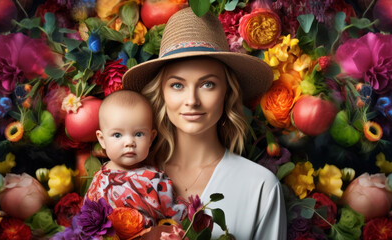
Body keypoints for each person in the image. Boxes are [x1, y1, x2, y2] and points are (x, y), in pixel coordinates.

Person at [122, 7, 287, 239]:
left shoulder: (260, 187)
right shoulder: (126, 179)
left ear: (227, 92)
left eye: (207, 84)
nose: (192, 101)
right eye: (177, 85)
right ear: (161, 93)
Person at [85, 90, 186, 227]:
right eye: (117, 135)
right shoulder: (99, 181)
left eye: (138, 134)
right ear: (102, 140)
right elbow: (86, 220)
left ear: (151, 138)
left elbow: (175, 215)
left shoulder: (155, 179)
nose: (129, 143)